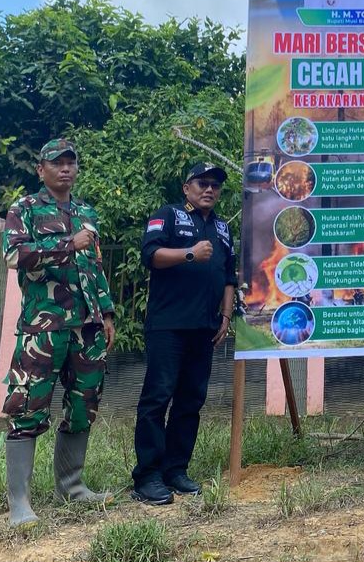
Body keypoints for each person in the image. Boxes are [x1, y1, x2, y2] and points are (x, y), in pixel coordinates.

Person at [1, 138, 116, 528]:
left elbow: (94, 266)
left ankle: (72, 486)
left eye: (71, 162)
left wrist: (107, 313)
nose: (65, 168)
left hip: (87, 328)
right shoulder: (25, 209)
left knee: (84, 405)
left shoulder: (86, 213)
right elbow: (14, 255)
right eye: (57, 162)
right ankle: (19, 503)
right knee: (27, 407)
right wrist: (68, 243)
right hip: (43, 327)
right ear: (41, 169)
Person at [131, 163, 238, 504]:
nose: (209, 189)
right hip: (168, 324)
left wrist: (225, 316)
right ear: (186, 187)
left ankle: (175, 469)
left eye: (215, 185)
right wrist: (190, 253)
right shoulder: (169, 214)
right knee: (157, 398)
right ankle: (147, 476)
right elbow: (150, 255)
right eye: (202, 183)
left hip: (205, 327)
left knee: (191, 400)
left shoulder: (222, 227)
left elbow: (229, 276)